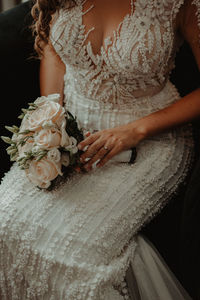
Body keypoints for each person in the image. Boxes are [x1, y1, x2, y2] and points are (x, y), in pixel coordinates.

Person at [0, 0, 199, 299]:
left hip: (149, 139)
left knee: (79, 257)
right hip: (68, 133)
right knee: (5, 224)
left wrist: (136, 130)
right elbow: (54, 52)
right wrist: (52, 118)